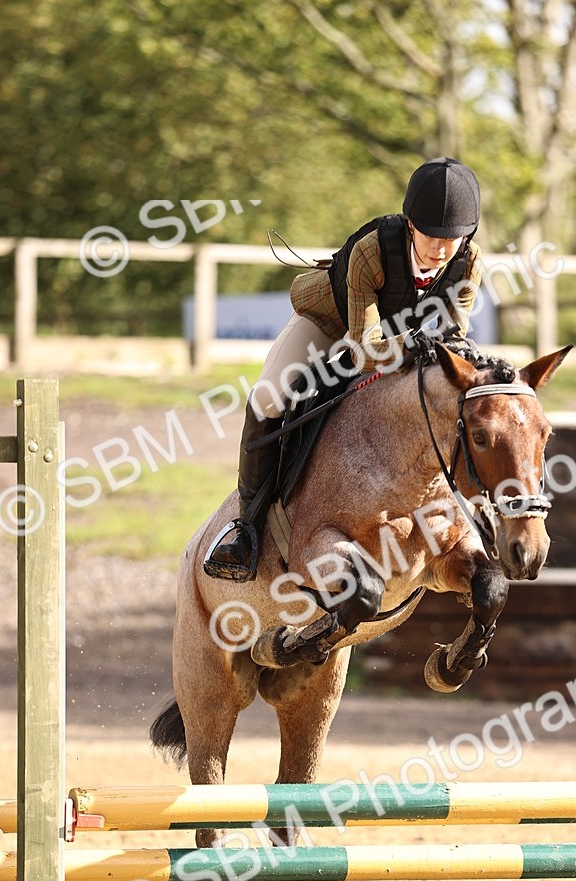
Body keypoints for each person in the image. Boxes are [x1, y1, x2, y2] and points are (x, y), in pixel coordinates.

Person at [204, 156, 483, 581]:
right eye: (432, 236)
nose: (441, 250)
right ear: (411, 225)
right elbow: (363, 350)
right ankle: (246, 528)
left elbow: (455, 340)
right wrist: (415, 344)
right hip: (330, 323)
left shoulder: (468, 261)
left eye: (453, 239)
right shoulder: (374, 250)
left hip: (397, 339)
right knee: (268, 397)